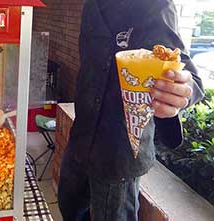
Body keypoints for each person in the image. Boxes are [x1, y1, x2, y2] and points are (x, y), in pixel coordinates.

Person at [57, 0, 205, 221]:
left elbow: (187, 73)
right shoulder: (91, 6)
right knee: (68, 205)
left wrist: (181, 91)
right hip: (81, 136)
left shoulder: (155, 5)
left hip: (120, 151)